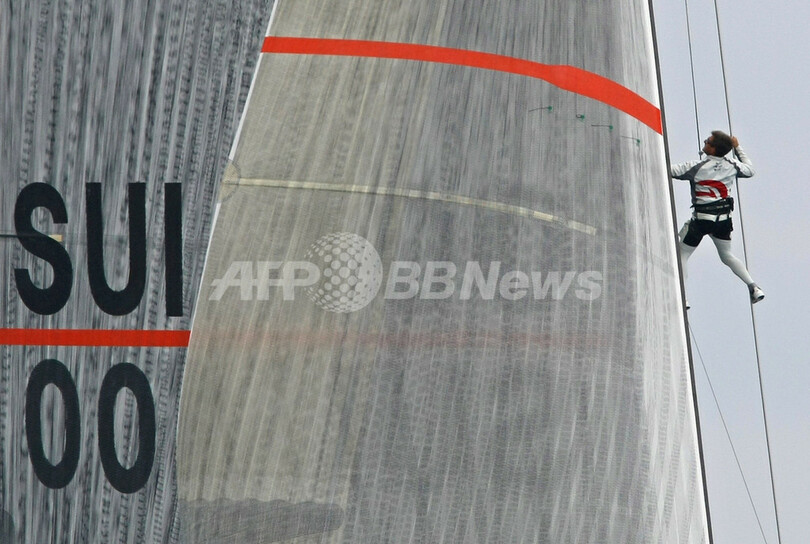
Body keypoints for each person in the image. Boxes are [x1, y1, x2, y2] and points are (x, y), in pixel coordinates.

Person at [672, 130, 764, 307]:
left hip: (702, 220)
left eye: (708, 141)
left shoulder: (696, 166)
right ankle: (754, 287)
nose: (705, 142)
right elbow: (750, 170)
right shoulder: (732, 165)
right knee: (727, 255)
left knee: (682, 254)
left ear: (713, 149)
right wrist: (738, 147)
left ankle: (683, 297)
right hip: (723, 221)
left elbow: (670, 170)